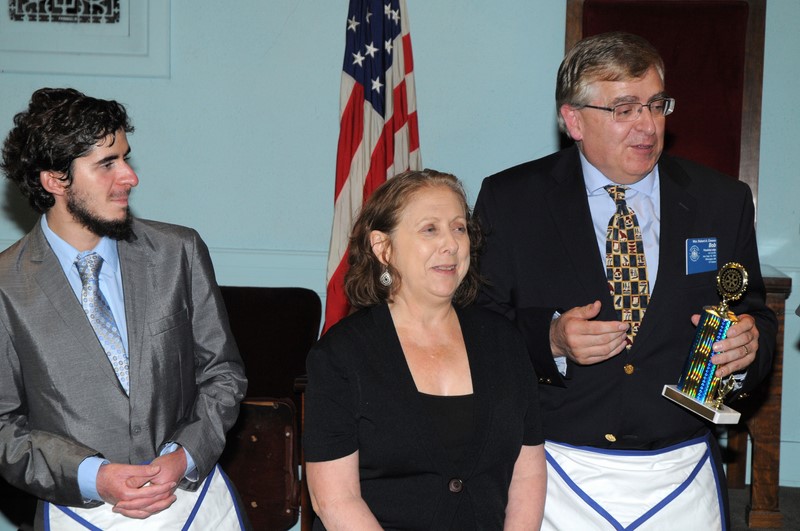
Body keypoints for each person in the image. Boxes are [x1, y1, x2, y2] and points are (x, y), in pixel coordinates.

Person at [474, 32, 777, 530]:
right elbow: (476, 328)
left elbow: (755, 316)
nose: (648, 126)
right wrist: (550, 340)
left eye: (657, 105)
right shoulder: (512, 200)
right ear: (574, 120)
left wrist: (746, 349)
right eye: (624, 109)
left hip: (681, 471)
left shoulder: (722, 201)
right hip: (556, 467)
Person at [0, 88, 248, 529]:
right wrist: (94, 476)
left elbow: (223, 374)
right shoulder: (6, 287)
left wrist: (184, 455)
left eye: (126, 158)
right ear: (55, 180)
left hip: (194, 505)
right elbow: (4, 429)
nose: (130, 177)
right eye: (107, 164)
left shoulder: (178, 253)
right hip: (78, 513)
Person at [303, 169, 546, 530]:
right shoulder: (340, 355)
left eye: (459, 228)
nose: (451, 244)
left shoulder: (504, 341)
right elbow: (335, 500)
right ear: (383, 248)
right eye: (430, 229)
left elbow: (528, 475)